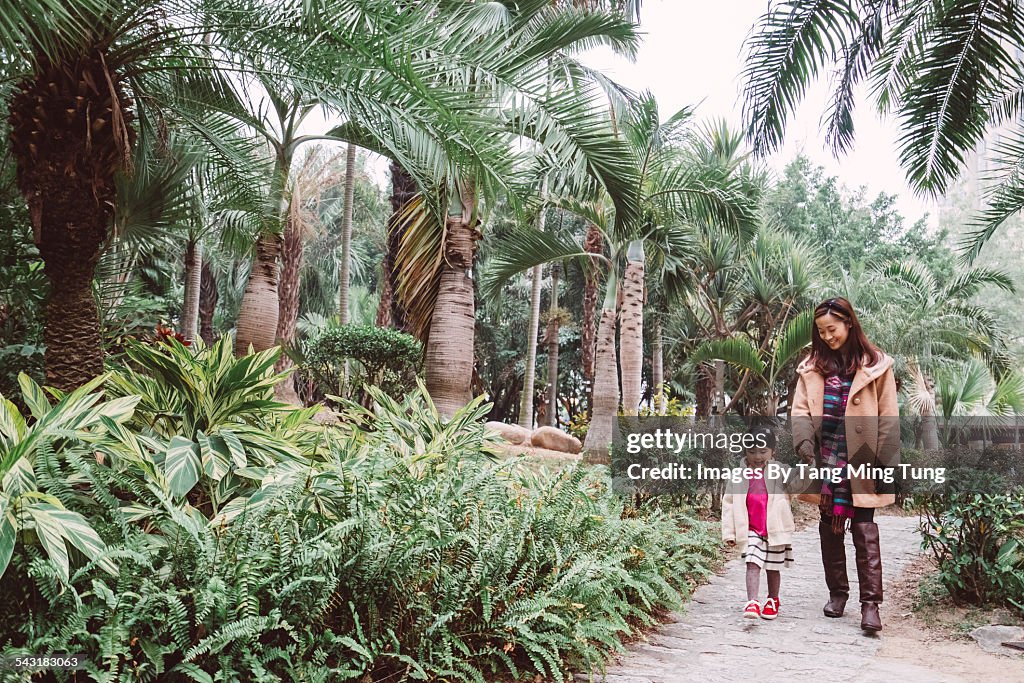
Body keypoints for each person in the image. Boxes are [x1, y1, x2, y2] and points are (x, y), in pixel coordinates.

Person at [791, 296, 900, 633]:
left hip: (862, 459)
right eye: (821, 331)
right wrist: (804, 442)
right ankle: (837, 594)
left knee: (865, 529)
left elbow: (888, 416)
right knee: (829, 526)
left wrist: (882, 460)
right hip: (825, 458)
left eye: (832, 329)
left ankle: (871, 605)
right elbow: (799, 411)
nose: (827, 336)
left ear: (849, 323)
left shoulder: (876, 364)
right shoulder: (811, 366)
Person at [721, 427, 795, 620]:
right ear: (745, 452)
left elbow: (797, 485)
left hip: (774, 529)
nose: (757, 456)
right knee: (752, 563)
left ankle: (772, 599)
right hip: (751, 529)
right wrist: (730, 533)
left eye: (763, 451)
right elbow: (728, 503)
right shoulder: (738, 475)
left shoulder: (780, 471)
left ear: (773, 452)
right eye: (752, 451)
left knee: (772, 566)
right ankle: (752, 601)